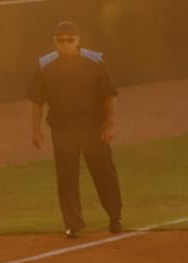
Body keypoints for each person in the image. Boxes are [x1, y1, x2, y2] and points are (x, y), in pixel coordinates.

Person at [28, 20, 123, 239]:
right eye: (60, 41)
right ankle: (73, 223)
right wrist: (36, 129)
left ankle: (115, 217)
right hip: (62, 130)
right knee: (67, 177)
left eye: (70, 40)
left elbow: (109, 95)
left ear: (78, 40)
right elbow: (37, 101)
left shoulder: (95, 61)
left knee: (104, 174)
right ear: (55, 42)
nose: (65, 44)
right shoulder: (45, 65)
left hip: (93, 128)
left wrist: (109, 125)